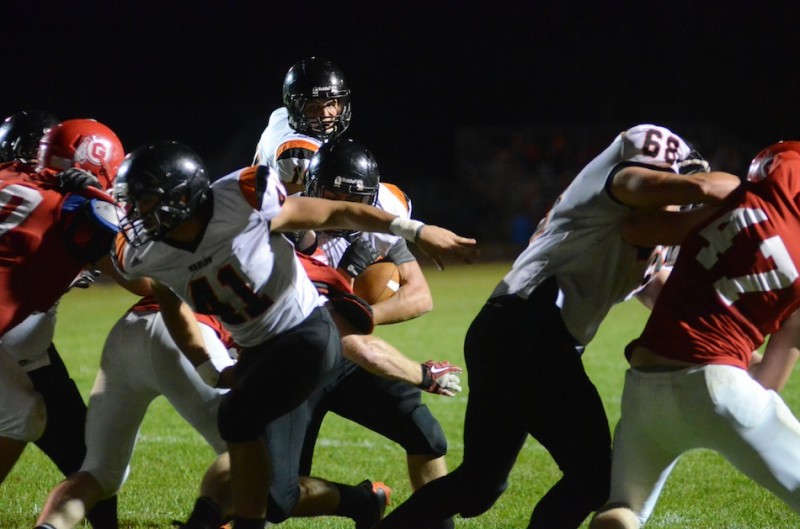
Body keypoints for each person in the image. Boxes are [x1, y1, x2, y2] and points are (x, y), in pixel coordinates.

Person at [373, 124, 742, 529]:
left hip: (510, 333)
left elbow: (666, 294)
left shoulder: (651, 229)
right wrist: (732, 193)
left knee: (480, 485)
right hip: (530, 328)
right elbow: (645, 186)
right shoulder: (634, 175)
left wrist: (734, 346)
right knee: (594, 476)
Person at [110, 140, 476, 529]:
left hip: (308, 337)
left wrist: (413, 233)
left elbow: (347, 224)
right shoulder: (150, 250)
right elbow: (170, 302)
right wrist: (209, 368)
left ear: (182, 197)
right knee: (273, 492)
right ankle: (359, 502)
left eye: (144, 201)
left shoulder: (242, 200)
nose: (135, 214)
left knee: (422, 434)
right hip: (269, 349)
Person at [589, 140, 800, 528]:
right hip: (718, 386)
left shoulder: (734, 203)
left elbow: (637, 229)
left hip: (644, 388)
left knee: (624, 509)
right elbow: (769, 380)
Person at [0, 116, 126, 529]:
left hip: (15, 340)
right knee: (82, 451)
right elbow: (140, 274)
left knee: (26, 413)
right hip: (13, 337)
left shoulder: (8, 176)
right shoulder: (76, 207)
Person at [253, 56, 350, 194]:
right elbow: (297, 208)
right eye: (313, 106)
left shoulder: (280, 116)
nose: (325, 114)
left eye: (330, 104)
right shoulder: (298, 151)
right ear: (296, 109)